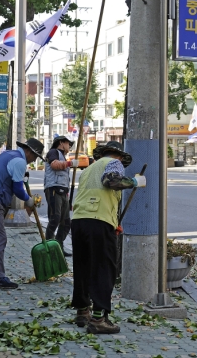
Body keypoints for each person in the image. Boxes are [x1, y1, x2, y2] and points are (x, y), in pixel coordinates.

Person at [71, 141, 144, 334]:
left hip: (79, 221)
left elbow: (98, 196)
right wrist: (134, 182)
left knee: (83, 266)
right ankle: (98, 319)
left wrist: (113, 223)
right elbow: (111, 182)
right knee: (104, 268)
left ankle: (82, 310)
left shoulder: (89, 169)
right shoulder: (114, 163)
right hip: (97, 223)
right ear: (118, 156)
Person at [0, 138, 44, 289]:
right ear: (29, 151)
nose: (34, 160)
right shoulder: (19, 161)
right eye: (35, 156)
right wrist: (28, 200)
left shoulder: (8, 154)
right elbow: (18, 189)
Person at [43, 136, 78, 256]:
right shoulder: (53, 152)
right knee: (55, 218)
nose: (69, 146)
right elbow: (54, 165)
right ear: (61, 143)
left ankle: (58, 247)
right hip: (53, 189)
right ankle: (48, 247)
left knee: (66, 222)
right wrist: (69, 163)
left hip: (63, 192)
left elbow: (65, 180)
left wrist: (68, 200)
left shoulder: (63, 156)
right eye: (68, 144)